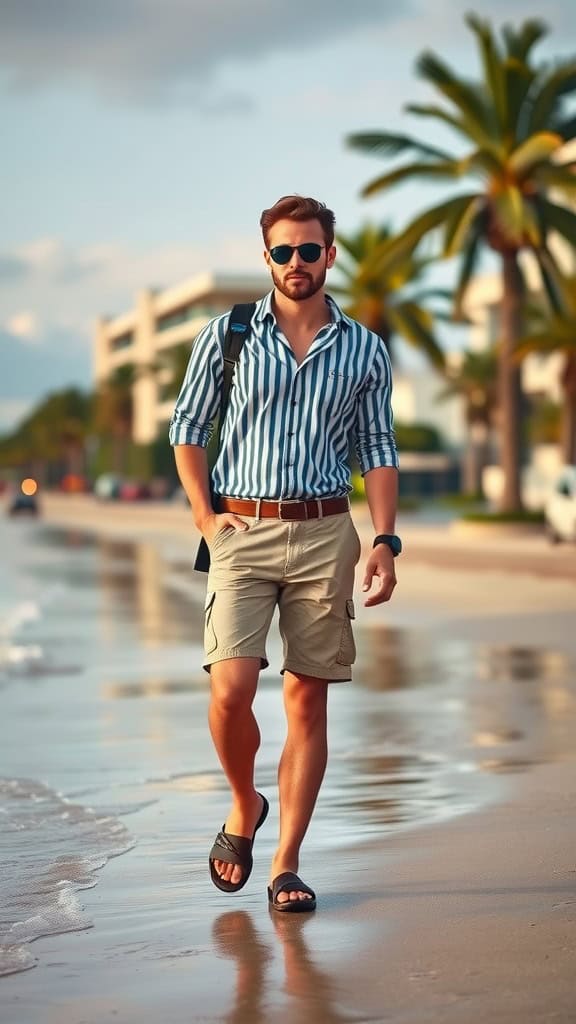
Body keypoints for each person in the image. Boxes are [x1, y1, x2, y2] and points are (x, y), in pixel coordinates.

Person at [169, 195, 400, 912]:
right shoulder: (227, 335)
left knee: (307, 700)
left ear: (330, 255)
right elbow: (188, 428)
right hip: (241, 530)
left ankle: (287, 864)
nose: (296, 263)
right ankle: (245, 806)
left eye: (309, 250)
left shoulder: (364, 347)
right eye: (282, 251)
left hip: (328, 530)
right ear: (265, 256)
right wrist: (207, 519)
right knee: (230, 689)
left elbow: (379, 450)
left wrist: (386, 541)